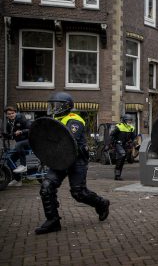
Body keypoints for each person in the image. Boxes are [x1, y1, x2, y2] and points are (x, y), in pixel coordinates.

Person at [35, 92, 110, 235]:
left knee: (78, 193)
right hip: (59, 160)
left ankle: (102, 203)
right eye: (52, 105)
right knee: (46, 187)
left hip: (77, 161)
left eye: (57, 105)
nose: (54, 108)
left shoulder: (74, 120)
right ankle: (53, 221)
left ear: (66, 106)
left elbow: (68, 140)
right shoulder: (53, 119)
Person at [3, 106, 31, 186]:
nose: (11, 115)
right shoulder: (9, 124)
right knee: (9, 161)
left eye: (13, 113)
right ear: (6, 115)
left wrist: (21, 131)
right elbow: (11, 136)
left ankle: (23, 165)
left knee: (18, 144)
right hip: (20, 146)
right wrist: (4, 136)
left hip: (29, 141)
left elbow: (30, 129)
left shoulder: (21, 118)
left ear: (15, 113)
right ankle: (18, 180)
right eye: (9, 114)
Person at [111, 114, 137, 181]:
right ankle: (117, 174)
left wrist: (135, 143)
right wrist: (112, 143)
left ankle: (118, 175)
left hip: (126, 144)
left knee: (123, 159)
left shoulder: (132, 128)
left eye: (130, 120)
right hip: (118, 143)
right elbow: (111, 135)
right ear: (124, 120)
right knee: (122, 155)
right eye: (128, 120)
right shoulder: (119, 126)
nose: (130, 121)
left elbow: (134, 138)